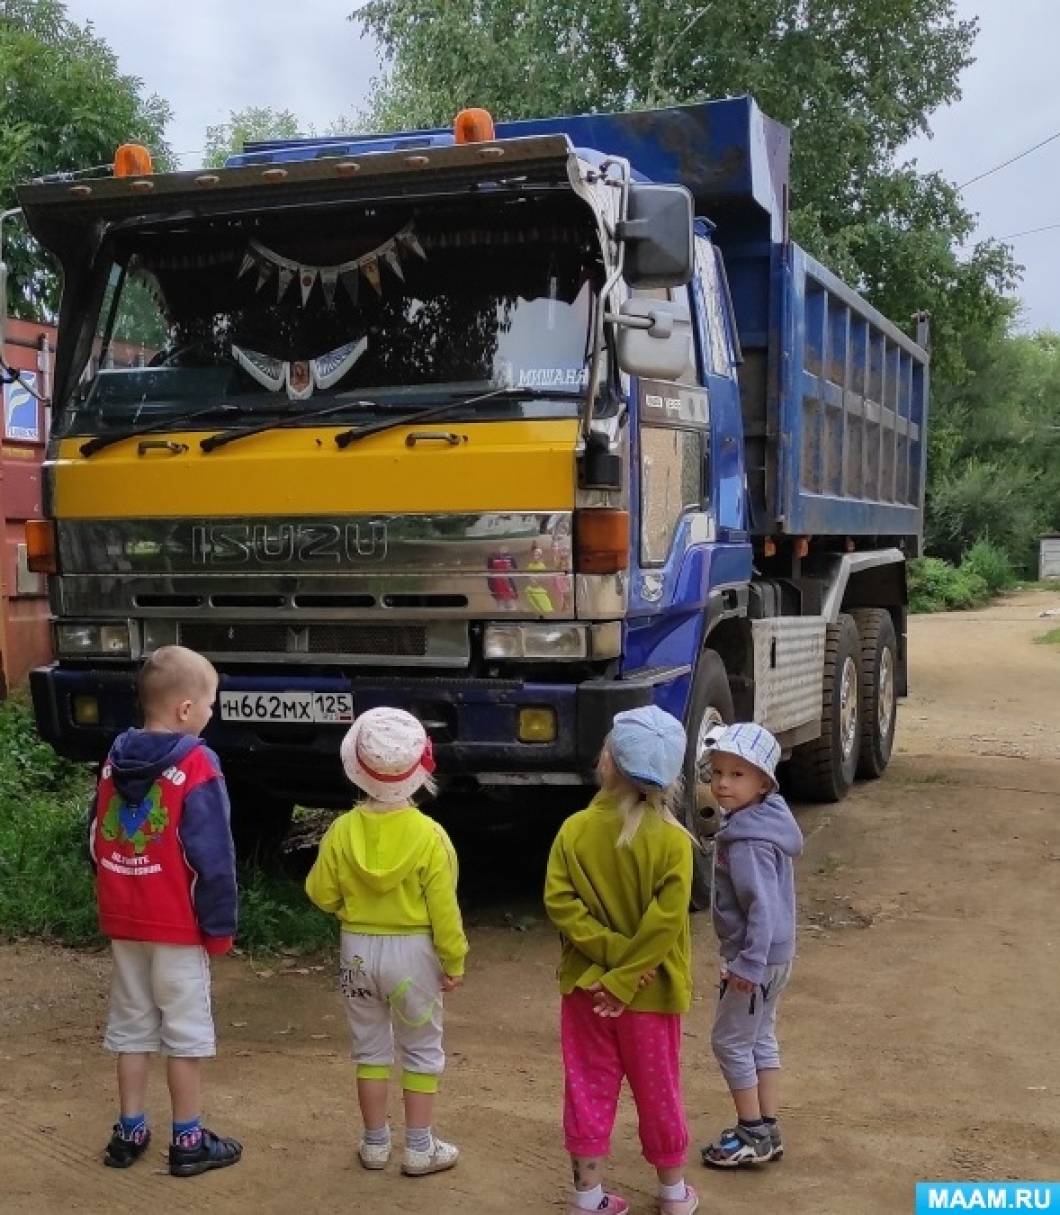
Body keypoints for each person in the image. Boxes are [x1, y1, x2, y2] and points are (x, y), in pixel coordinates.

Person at [89, 645, 242, 1177]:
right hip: (177, 925)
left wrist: (113, 892)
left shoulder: (114, 757)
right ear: (184, 709)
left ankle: (129, 1131)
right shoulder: (198, 762)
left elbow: (95, 836)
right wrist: (218, 928)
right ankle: (189, 1139)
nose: (211, 713)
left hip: (125, 920)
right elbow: (214, 857)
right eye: (210, 703)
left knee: (132, 1027)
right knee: (184, 1032)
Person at [544, 705, 700, 1215]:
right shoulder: (675, 842)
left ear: (606, 759)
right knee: (659, 1089)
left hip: (586, 990)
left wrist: (609, 965)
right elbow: (665, 922)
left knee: (587, 1088)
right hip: (651, 994)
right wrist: (630, 974)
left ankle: (588, 1198)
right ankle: (674, 1195)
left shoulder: (572, 830)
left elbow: (560, 904)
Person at [305, 707, 467, 1177]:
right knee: (420, 1047)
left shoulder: (340, 830)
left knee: (370, 1050)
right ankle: (419, 1147)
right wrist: (453, 960)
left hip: (357, 949)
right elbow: (445, 911)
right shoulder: (431, 836)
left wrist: (346, 907)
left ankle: (375, 1143)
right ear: (420, 771)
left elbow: (319, 892)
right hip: (414, 955)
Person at [700, 722, 803, 1168]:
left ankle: (751, 1134)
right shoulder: (766, 819)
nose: (723, 782)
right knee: (760, 1036)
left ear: (764, 782)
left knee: (729, 1042)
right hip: (775, 956)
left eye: (738, 774)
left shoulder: (748, 842)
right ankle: (767, 1127)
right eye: (718, 771)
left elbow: (761, 909)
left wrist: (747, 965)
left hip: (755, 960)